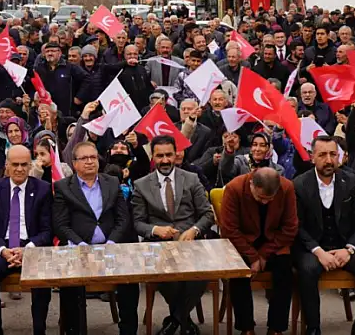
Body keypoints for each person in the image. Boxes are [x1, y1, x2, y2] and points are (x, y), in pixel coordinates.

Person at [292, 136, 355, 335]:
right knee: (306, 269)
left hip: (345, 246)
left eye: (333, 154)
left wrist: (350, 249)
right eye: (322, 155)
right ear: (312, 157)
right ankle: (313, 328)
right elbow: (296, 226)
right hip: (312, 248)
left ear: (340, 157)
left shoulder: (351, 181)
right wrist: (318, 251)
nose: (329, 160)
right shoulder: (299, 185)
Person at [131, 135, 216, 335]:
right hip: (159, 246)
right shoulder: (141, 185)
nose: (165, 160)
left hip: (190, 243)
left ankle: (175, 320)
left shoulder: (192, 179)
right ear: (153, 156)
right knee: (168, 275)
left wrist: (194, 230)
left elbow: (207, 214)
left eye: (169, 154)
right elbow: (137, 223)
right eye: (160, 156)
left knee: (201, 273)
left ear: (176, 154)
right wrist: (154, 230)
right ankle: (185, 321)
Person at [53, 141, 139, 335]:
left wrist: (111, 242)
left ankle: (128, 330)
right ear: (74, 163)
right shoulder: (63, 187)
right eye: (84, 158)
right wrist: (81, 244)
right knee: (70, 285)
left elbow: (123, 218)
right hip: (79, 248)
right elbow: (61, 225)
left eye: (93, 157)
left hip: (111, 246)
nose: (90, 162)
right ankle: (74, 329)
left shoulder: (112, 183)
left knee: (130, 281)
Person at [0, 145, 52, 335]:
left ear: (30, 165)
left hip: (32, 246)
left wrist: (28, 248)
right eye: (15, 164)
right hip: (2, 247)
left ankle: (39, 329)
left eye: (24, 164)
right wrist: (3, 250)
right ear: (7, 165)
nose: (19, 169)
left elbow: (48, 229)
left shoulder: (42, 189)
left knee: (42, 276)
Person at [219, 167, 297, 335]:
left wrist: (263, 254)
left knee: (285, 271)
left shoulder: (287, 188)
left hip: (275, 243)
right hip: (243, 243)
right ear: (252, 184)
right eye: (260, 197)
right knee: (239, 273)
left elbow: (290, 228)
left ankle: (277, 328)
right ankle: (246, 327)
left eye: (269, 199)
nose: (264, 202)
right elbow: (229, 230)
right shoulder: (234, 188)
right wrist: (253, 256)